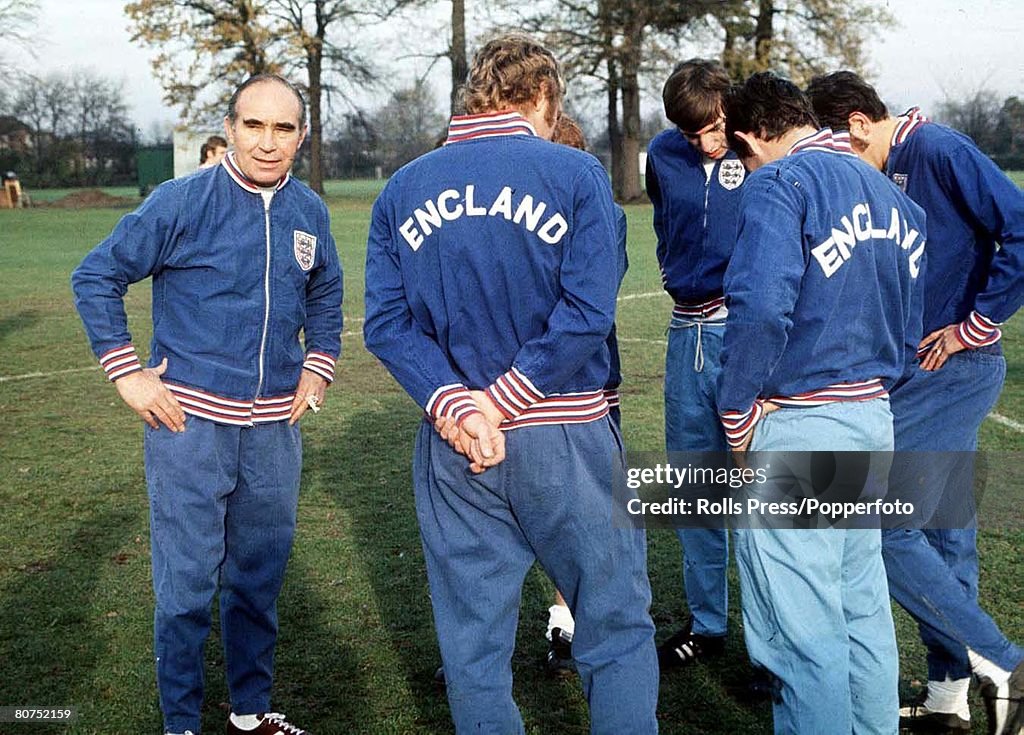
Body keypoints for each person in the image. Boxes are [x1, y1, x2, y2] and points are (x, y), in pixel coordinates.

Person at [363, 33, 658, 735]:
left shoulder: (402, 187)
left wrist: (460, 403)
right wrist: (499, 401)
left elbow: (386, 324)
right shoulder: (575, 173)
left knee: (473, 648)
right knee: (614, 627)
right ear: (546, 98)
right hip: (565, 429)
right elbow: (588, 313)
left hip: (456, 442)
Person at [71, 73, 341, 735]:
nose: (269, 142)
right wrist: (128, 373)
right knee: (188, 586)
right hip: (189, 426)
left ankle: (249, 713)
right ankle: (181, 723)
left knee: (257, 579)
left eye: (284, 128)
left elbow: (326, 293)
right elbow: (96, 274)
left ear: (302, 136)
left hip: (275, 430)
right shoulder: (183, 200)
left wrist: (319, 364)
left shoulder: (309, 210)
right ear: (229, 129)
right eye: (254, 125)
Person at [808, 70, 1024, 735]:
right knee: (942, 527)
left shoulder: (937, 149)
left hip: (955, 368)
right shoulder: (888, 166)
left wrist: (973, 325)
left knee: (870, 514)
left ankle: (1005, 663)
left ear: (856, 126)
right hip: (913, 372)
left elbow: (1020, 230)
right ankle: (948, 696)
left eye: (836, 149)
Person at [720, 71, 926, 734]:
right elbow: (909, 318)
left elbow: (757, 309)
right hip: (873, 417)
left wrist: (737, 410)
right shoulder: (892, 195)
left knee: (801, 636)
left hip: (802, 424)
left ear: (752, 133)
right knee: (860, 610)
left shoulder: (780, 183)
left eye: (743, 153)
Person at [645, 58, 747, 669]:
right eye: (692, 134)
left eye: (712, 129)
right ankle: (707, 624)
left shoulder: (755, 148)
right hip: (688, 334)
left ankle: (773, 644)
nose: (705, 143)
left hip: (745, 330)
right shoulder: (662, 154)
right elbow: (665, 219)